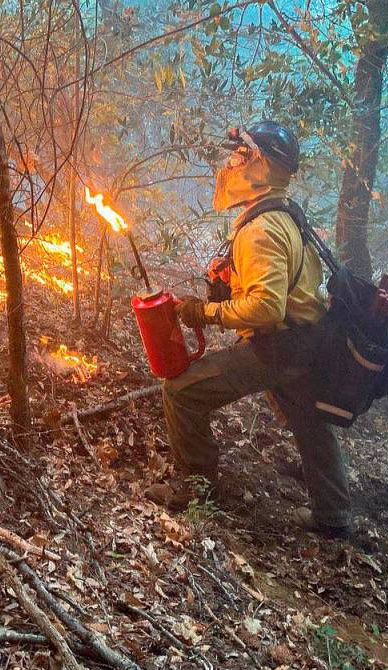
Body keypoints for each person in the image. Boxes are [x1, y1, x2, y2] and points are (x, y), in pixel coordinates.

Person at [147, 121, 353, 540]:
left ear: (261, 166)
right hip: (305, 341)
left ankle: (195, 489)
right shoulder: (284, 214)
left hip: (278, 346)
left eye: (241, 156)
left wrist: (205, 312)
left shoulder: (261, 229)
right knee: (309, 421)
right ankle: (334, 517)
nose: (231, 163)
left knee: (182, 392)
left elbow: (265, 306)